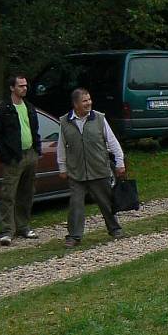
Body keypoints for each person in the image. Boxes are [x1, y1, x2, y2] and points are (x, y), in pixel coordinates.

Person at [57, 88, 126, 248]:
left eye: (89, 100)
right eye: (85, 101)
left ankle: (115, 228)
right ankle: (74, 236)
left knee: (106, 202)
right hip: (76, 172)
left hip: (99, 169)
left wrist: (120, 162)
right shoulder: (65, 122)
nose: (88, 103)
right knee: (75, 204)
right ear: (75, 104)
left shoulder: (99, 119)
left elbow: (112, 142)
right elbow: (62, 146)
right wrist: (62, 167)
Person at [0, 75, 42, 246]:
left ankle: (23, 226)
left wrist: (37, 149)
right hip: (14, 157)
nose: (24, 88)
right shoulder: (3, 109)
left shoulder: (29, 107)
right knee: (9, 194)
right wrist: (6, 155)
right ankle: (7, 230)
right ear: (12, 88)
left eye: (25, 85)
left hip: (30, 154)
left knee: (27, 193)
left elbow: (34, 129)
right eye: (20, 86)